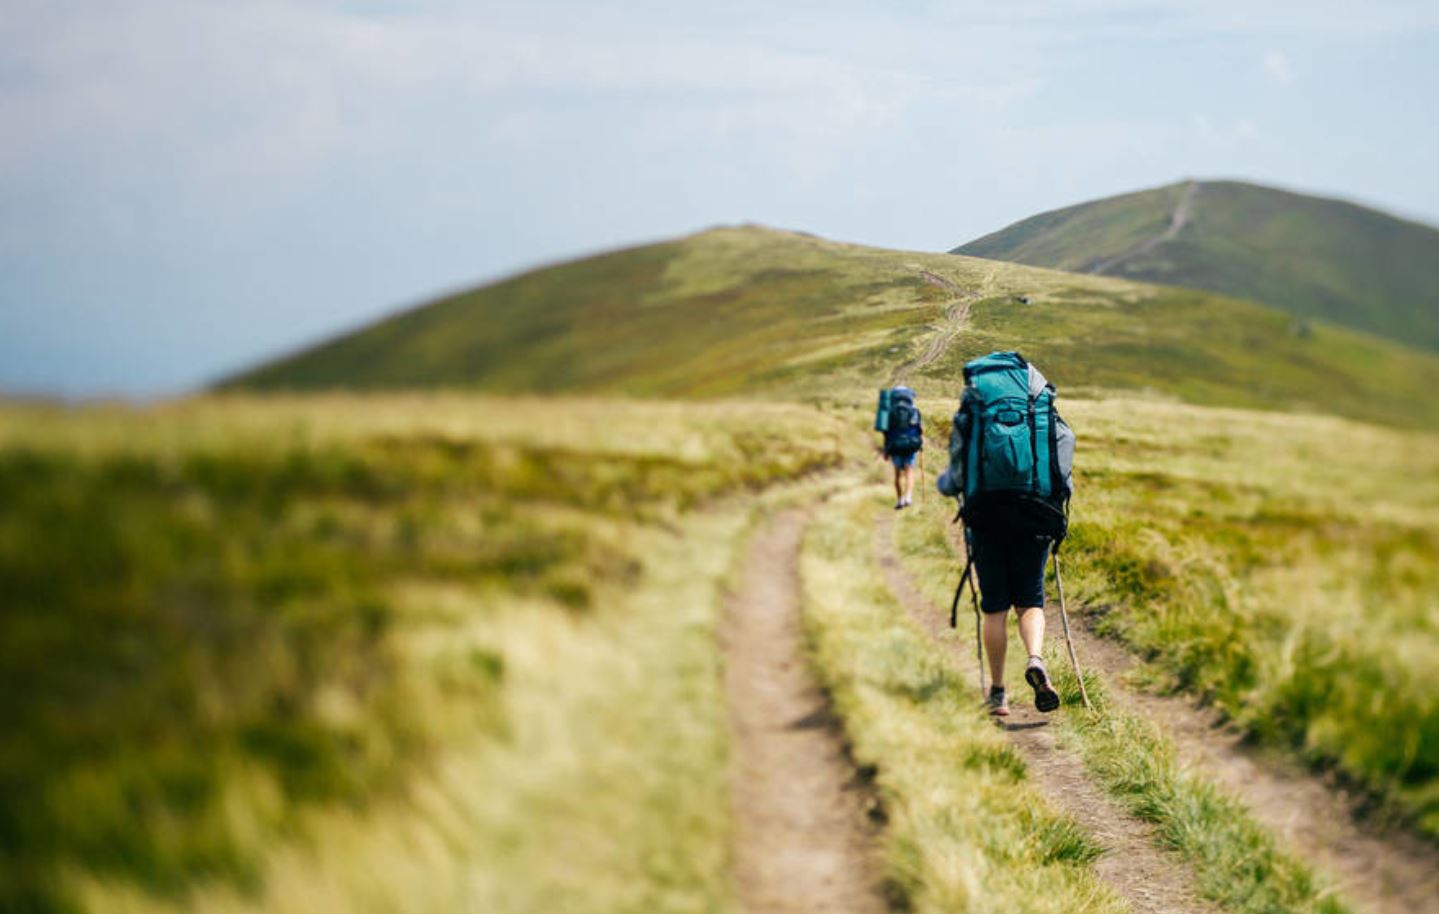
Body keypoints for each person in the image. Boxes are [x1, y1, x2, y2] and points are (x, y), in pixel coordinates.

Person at [936, 352, 1073, 717]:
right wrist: (1058, 497)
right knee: (1030, 600)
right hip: (1035, 512)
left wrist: (949, 487)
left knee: (994, 608)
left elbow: (958, 464)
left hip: (986, 516)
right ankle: (1036, 659)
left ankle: (998, 693)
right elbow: (1061, 452)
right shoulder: (1038, 395)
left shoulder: (975, 399)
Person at [876, 386, 923, 510]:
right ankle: (908, 497)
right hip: (910, 444)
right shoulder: (913, 410)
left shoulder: (889, 412)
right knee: (909, 471)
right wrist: (920, 444)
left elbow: (885, 432)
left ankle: (900, 500)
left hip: (894, 445)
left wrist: (886, 450)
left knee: (897, 474)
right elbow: (919, 429)